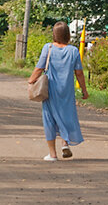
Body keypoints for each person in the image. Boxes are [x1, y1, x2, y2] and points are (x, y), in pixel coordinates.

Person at [26, 21, 89, 161]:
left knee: (49, 119)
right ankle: (65, 143)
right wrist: (84, 90)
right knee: (66, 116)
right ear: (68, 35)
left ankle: (53, 154)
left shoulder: (48, 48)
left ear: (54, 34)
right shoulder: (73, 51)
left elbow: (39, 68)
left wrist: (31, 81)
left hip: (51, 91)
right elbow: (79, 73)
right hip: (67, 91)